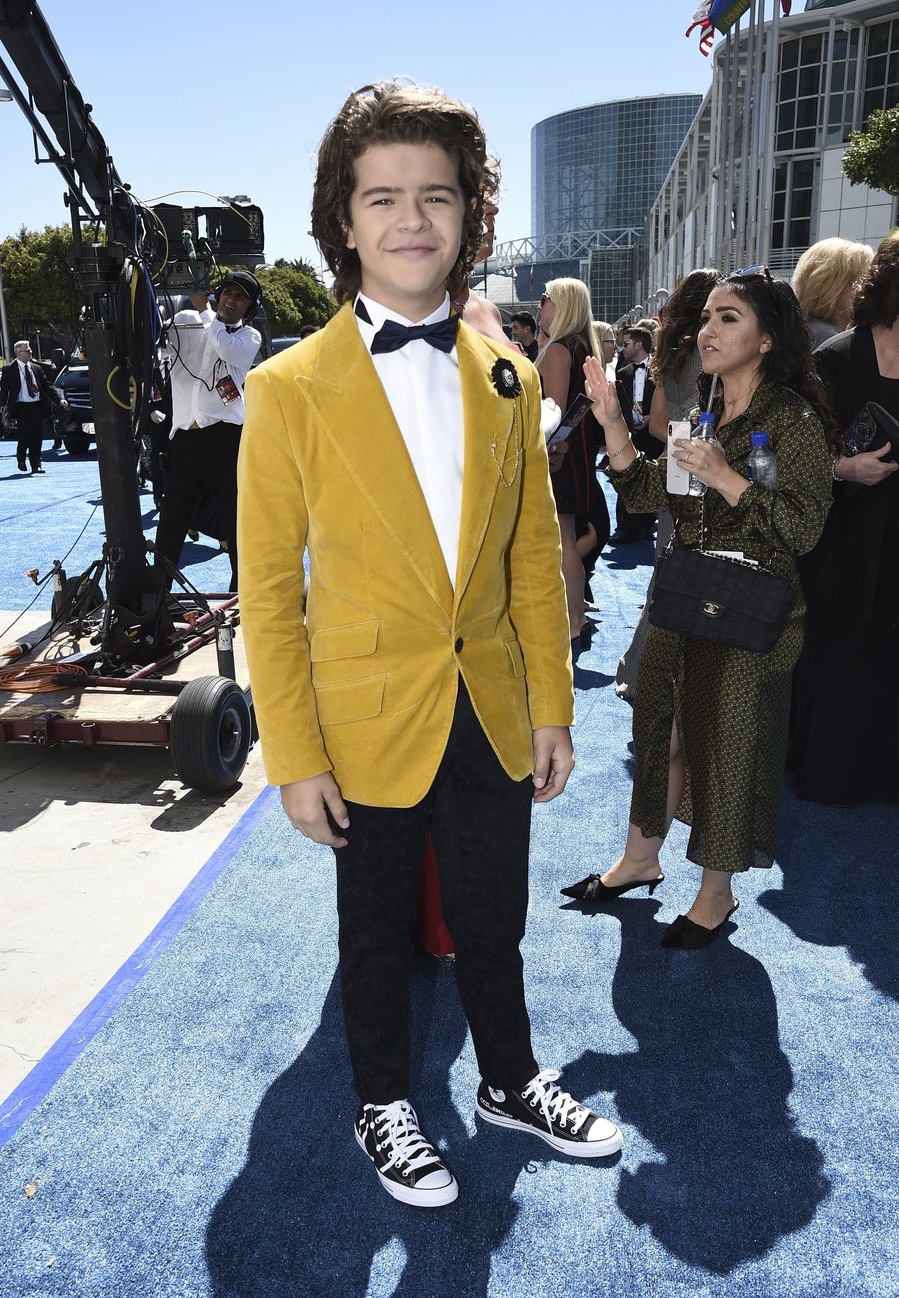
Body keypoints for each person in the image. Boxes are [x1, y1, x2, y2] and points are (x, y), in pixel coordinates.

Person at [237, 80, 622, 1210]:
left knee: (495, 913)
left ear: (470, 218)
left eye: (436, 197)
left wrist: (553, 704)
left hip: (495, 703)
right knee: (375, 926)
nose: (413, 219)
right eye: (383, 197)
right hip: (363, 717)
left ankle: (507, 1078)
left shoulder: (505, 378)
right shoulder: (286, 388)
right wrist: (293, 754)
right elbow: (268, 591)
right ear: (344, 220)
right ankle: (381, 1099)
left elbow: (526, 565)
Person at [566, 269, 834, 948]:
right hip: (686, 596)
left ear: (768, 339)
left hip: (754, 612)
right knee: (658, 726)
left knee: (729, 746)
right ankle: (640, 858)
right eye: (707, 317)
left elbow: (803, 530)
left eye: (728, 319)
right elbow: (650, 491)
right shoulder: (707, 407)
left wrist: (725, 475)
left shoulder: (794, 420)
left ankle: (717, 892)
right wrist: (611, 424)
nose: (706, 330)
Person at [789, 228, 899, 805]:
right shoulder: (834, 359)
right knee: (841, 652)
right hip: (843, 536)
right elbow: (793, 458)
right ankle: (833, 771)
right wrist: (845, 469)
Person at [614, 268, 721, 702]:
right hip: (701, 478)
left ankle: (643, 673)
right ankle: (654, 678)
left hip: (672, 474)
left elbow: (658, 423)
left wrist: (681, 446)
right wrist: (701, 447)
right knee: (690, 581)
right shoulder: (711, 352)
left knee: (668, 575)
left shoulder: (671, 351)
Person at [154, 270, 262, 591]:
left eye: (240, 297)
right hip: (186, 437)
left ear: (249, 308)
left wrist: (205, 311)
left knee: (236, 517)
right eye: (227, 292)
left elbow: (226, 349)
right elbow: (157, 342)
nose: (230, 300)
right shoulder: (187, 318)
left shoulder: (248, 338)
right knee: (172, 518)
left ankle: (242, 592)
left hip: (226, 439)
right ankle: (159, 590)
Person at [536, 277, 607, 642]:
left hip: (558, 457)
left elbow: (553, 412)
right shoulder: (580, 348)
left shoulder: (560, 350)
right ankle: (575, 617)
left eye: (545, 298)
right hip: (576, 455)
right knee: (564, 538)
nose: (539, 305)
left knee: (562, 540)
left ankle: (572, 620)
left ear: (561, 305)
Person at [609, 326, 659, 544]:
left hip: (654, 435)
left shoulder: (660, 370)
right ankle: (625, 527)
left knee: (652, 477)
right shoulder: (622, 374)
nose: (622, 348)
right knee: (627, 478)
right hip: (631, 435)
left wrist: (651, 418)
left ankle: (646, 525)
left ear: (639, 344)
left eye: (626, 344)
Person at [0, 340, 68, 474]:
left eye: (30, 350)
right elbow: (4, 389)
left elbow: (46, 386)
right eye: (27, 350)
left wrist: (59, 400)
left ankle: (36, 464)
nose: (31, 352)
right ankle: (21, 458)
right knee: (25, 435)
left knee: (37, 435)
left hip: (37, 406)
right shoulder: (9, 369)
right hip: (21, 407)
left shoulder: (36, 368)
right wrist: (2, 405)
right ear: (19, 353)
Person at [791, 237, 874, 348]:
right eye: (861, 283)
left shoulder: (802, 330)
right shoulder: (827, 340)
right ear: (831, 287)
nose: (866, 291)